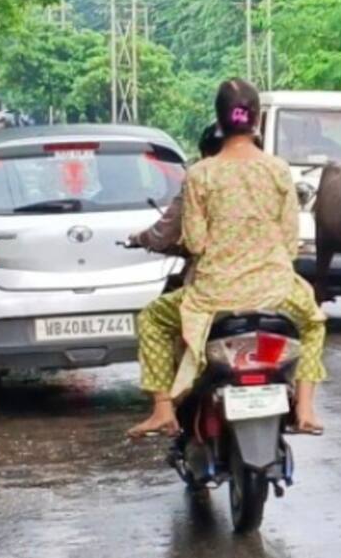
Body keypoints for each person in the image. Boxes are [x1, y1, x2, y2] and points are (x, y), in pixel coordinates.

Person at [128, 77, 328, 439]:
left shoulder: (201, 174)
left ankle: (162, 410)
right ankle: (305, 407)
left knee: (153, 320)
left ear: (219, 121)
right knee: (314, 323)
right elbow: (288, 242)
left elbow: (197, 242)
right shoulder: (278, 170)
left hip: (213, 297)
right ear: (257, 122)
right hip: (277, 293)